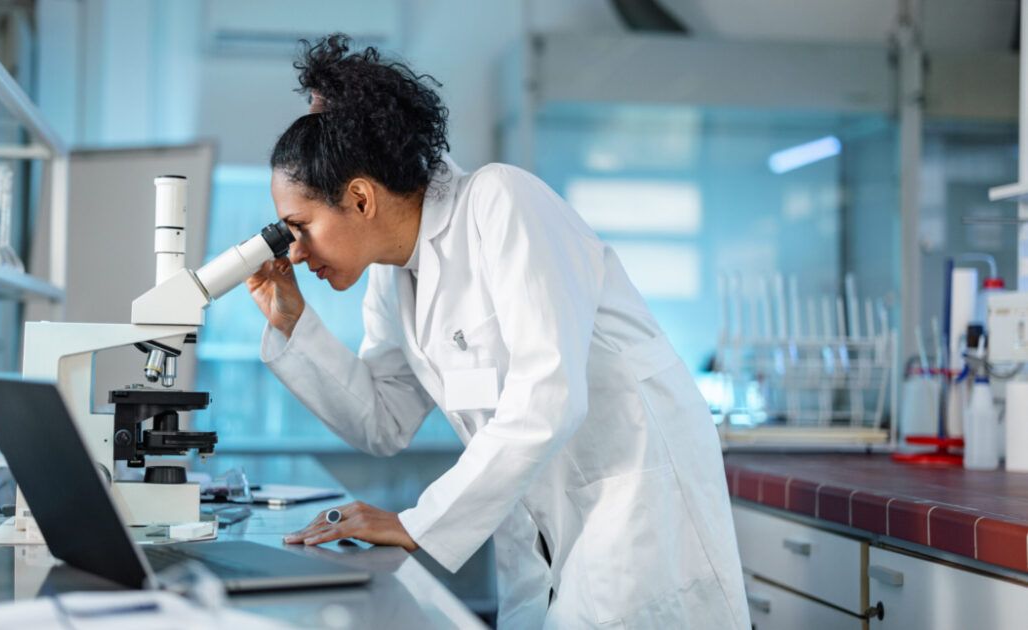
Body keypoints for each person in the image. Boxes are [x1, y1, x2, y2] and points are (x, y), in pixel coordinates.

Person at [248, 34, 750, 629]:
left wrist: (416, 521)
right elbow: (381, 421)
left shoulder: (502, 202)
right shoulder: (394, 275)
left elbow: (548, 397)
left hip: (633, 522)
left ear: (360, 198)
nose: (296, 252)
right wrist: (290, 321)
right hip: (540, 535)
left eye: (299, 226)